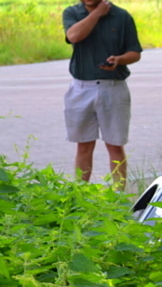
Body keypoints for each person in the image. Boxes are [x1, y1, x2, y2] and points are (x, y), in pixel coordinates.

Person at [62, 0, 141, 187]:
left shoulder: (121, 16)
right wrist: (97, 13)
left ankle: (118, 196)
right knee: (83, 145)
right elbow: (73, 36)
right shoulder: (72, 12)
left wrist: (119, 60)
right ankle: (81, 193)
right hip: (81, 87)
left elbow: (135, 53)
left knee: (115, 145)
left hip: (113, 86)